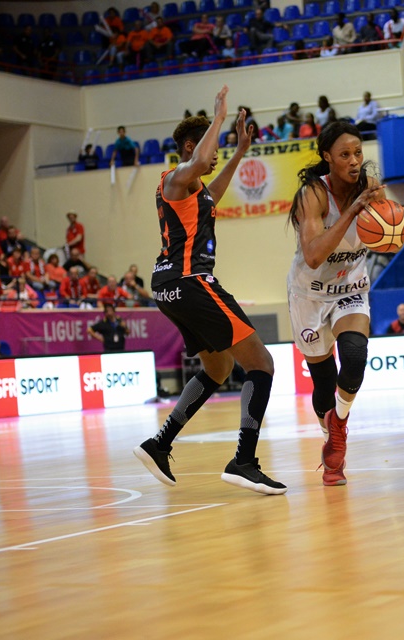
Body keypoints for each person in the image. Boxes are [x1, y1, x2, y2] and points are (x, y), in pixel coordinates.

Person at [134, 86, 286, 495]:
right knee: (262, 364)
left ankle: (159, 443)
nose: (215, 152)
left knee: (218, 368)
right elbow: (201, 160)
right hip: (190, 283)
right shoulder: (174, 178)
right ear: (190, 145)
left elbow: (214, 190)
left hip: (170, 286)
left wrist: (238, 151)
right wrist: (218, 117)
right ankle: (244, 460)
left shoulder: (195, 192)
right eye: (212, 145)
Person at [287, 119, 384, 487]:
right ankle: (328, 433)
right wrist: (351, 212)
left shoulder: (370, 189)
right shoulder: (312, 194)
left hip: (350, 287)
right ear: (327, 157)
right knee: (324, 382)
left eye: (358, 152)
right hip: (309, 292)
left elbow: (385, 233)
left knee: (356, 354)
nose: (354, 160)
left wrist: (390, 228)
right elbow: (313, 256)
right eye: (345, 154)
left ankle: (339, 425)